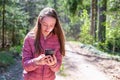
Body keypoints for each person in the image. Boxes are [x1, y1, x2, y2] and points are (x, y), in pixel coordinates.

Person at [22, 7, 65, 80]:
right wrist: (36, 62)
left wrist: (53, 64)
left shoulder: (57, 40)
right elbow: (25, 66)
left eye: (51, 25)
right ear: (40, 21)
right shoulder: (29, 38)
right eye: (45, 24)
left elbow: (57, 68)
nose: (48, 28)